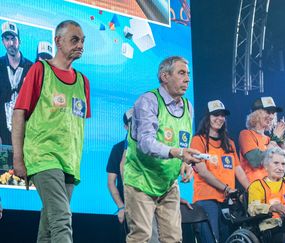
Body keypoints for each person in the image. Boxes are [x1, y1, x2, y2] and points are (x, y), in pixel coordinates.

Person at [12, 20, 90, 243]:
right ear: (58, 41)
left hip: (69, 162)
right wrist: (18, 158)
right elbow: (18, 113)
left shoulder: (83, 82)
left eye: (83, 40)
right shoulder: (40, 70)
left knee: (48, 227)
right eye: (74, 40)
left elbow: (76, 124)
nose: (80, 45)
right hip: (43, 157)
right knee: (62, 219)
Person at [123, 56, 201, 243]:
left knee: (173, 238)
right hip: (141, 180)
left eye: (188, 74)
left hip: (168, 184)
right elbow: (146, 143)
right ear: (164, 76)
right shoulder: (148, 101)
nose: (187, 79)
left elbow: (183, 142)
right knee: (141, 237)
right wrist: (178, 153)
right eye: (181, 73)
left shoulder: (188, 107)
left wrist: (185, 162)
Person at [191, 99, 250, 242]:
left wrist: (251, 188)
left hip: (228, 200)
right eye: (215, 114)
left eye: (222, 115)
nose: (220, 118)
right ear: (207, 117)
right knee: (210, 239)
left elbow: (238, 169)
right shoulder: (198, 141)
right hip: (206, 199)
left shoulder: (229, 143)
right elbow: (203, 172)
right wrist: (226, 188)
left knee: (228, 238)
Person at [239, 96, 285, 182]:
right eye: (268, 112)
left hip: (272, 189)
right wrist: (275, 138)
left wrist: (282, 142)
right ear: (257, 114)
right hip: (256, 188)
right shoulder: (246, 134)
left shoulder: (270, 140)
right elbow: (256, 161)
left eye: (273, 113)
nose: (272, 117)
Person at [0, 21, 33, 145]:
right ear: (3, 41)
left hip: (26, 137)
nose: (11, 43)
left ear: (19, 40)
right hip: (3, 135)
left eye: (13, 38)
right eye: (7, 39)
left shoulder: (32, 68)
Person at [107, 109, 132, 243]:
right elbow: (111, 182)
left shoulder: (150, 146)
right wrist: (121, 206)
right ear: (126, 127)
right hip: (129, 208)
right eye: (132, 123)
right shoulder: (118, 149)